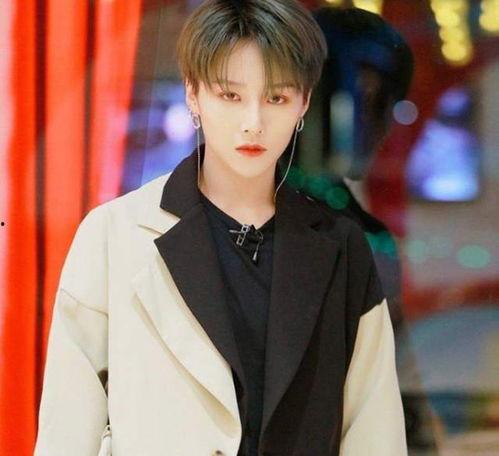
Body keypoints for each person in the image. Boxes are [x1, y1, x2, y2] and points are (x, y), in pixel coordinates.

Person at [34, 1, 407, 455]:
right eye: (230, 96)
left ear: (304, 102)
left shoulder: (342, 247)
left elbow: (373, 428)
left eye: (276, 98)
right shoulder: (113, 236)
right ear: (193, 94)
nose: (253, 123)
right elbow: (68, 430)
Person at [291, 6, 438, 451]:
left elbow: (397, 396)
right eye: (374, 98)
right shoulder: (346, 233)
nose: (384, 125)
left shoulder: (356, 229)